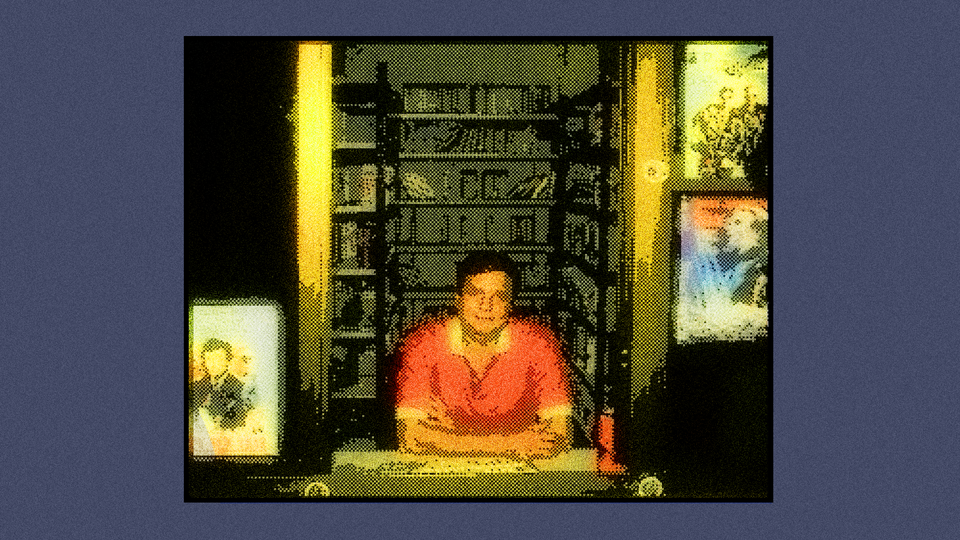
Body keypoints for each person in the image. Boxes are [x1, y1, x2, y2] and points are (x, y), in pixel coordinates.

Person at [394, 251, 572, 460]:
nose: (486, 305)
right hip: (444, 469)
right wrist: (510, 443)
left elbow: (560, 433)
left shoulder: (538, 343)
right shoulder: (424, 343)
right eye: (475, 294)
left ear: (510, 305)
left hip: (522, 470)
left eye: (499, 296)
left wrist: (447, 438)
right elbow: (411, 437)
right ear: (458, 300)